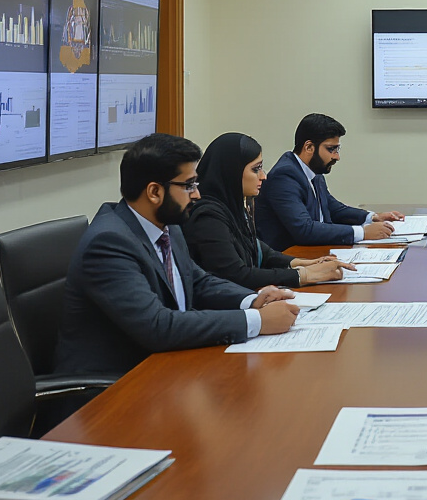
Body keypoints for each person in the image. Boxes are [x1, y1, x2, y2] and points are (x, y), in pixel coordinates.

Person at [54, 133, 299, 378]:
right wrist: (256, 321)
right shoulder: (109, 243)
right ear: (154, 192)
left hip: (168, 364)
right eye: (188, 185)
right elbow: (157, 325)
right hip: (117, 384)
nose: (197, 195)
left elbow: (197, 281)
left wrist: (252, 300)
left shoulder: (167, 224)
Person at [182, 132, 355, 292]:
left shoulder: (232, 205)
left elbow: (259, 250)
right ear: (231, 172)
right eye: (255, 169)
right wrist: (304, 275)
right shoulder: (207, 217)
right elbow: (236, 274)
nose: (263, 176)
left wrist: (304, 263)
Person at [255, 113, 404, 250]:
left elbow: (332, 208)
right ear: (309, 147)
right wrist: (362, 232)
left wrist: (371, 217)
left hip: (316, 251)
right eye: (331, 149)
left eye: (337, 149)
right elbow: (304, 229)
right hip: (291, 257)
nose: (336, 157)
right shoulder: (284, 176)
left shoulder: (312, 170)